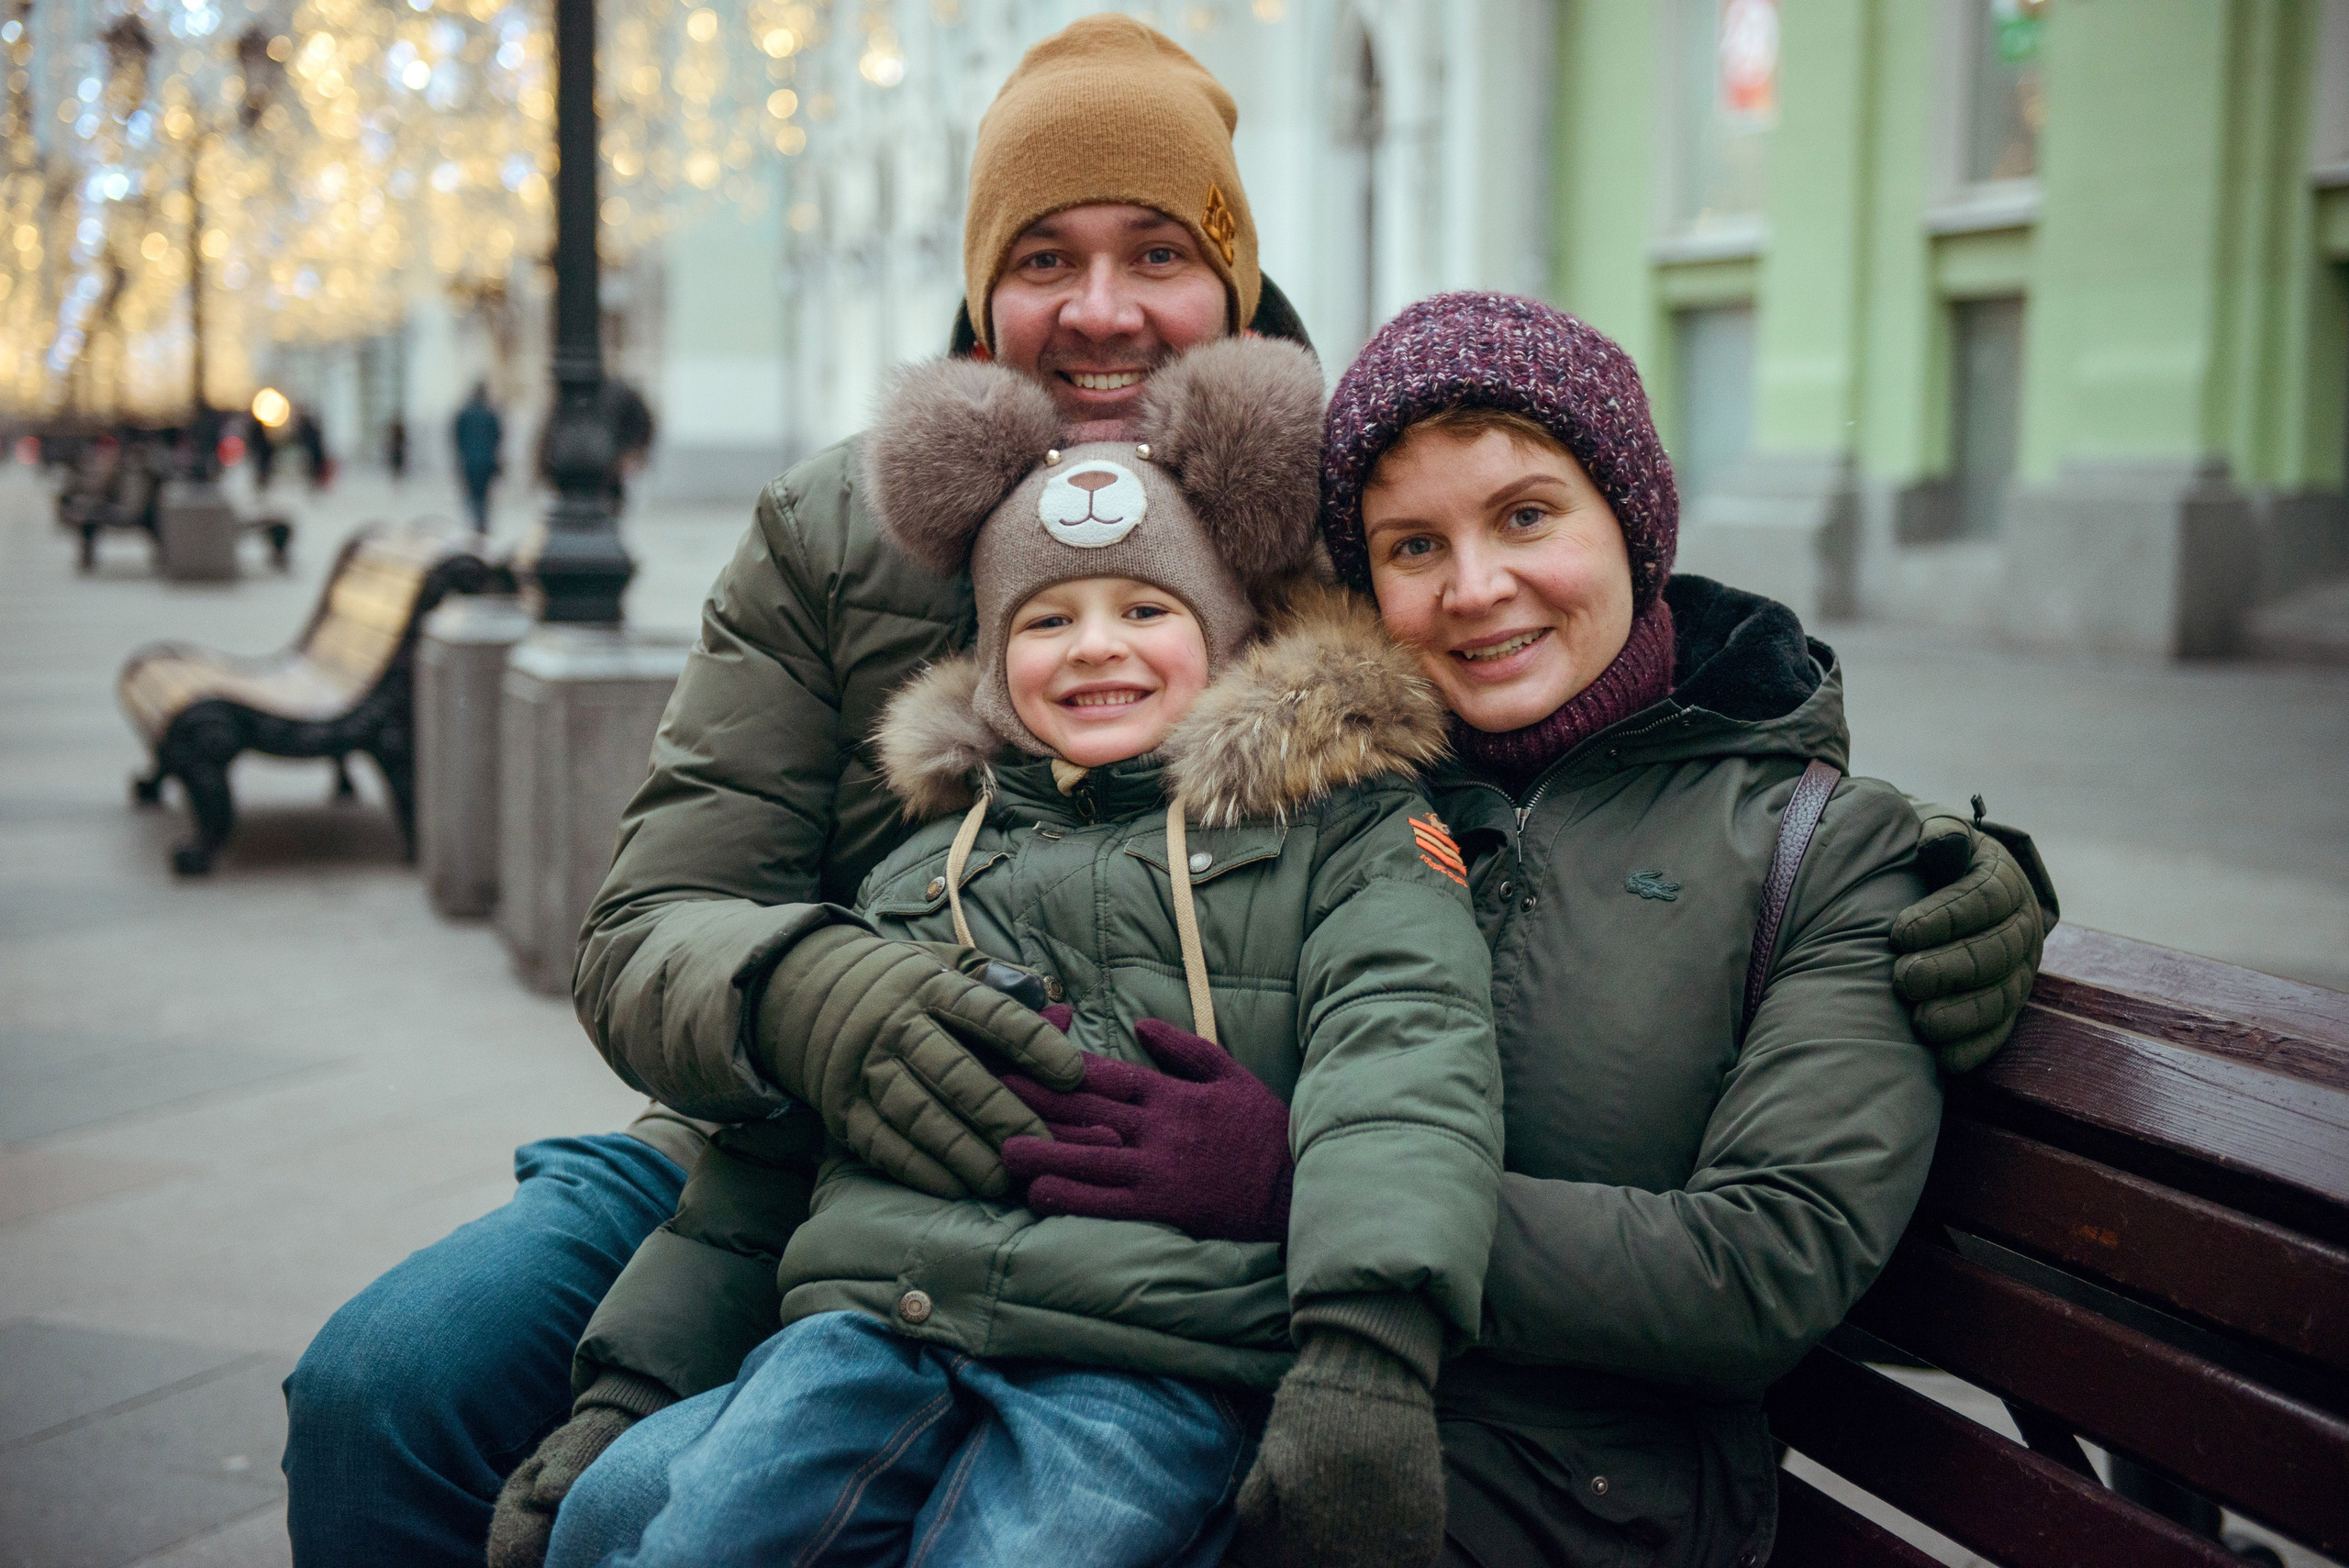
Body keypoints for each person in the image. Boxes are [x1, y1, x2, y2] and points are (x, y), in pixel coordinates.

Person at [279, 18, 2045, 1568]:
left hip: (1153, 1223)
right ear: (984, 289)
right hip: (787, 1139)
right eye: (1045, 255)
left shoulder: (1317, 502)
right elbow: (647, 925)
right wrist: (800, 990)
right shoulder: (837, 527)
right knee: (390, 1383)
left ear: (1234, 280)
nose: (1102, 309)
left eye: (1156, 252)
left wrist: (1958, 862)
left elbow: (1587, 712)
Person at [1003, 293, 2057, 1567]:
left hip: (1587, 1498)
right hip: (1238, 1414)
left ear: (1632, 521)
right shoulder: (1329, 799)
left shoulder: (1828, 853)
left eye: (1526, 515)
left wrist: (1305, 1192)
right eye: (1412, 547)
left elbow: (1768, 1264)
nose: (1477, 587)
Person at [524, 335, 1499, 1568]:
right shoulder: (929, 859)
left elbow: (1405, 1070)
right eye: (1049, 619)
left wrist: (1366, 1360)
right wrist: (630, 1387)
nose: (1098, 645)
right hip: (875, 1319)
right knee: (691, 1533)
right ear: (992, 660)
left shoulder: (1342, 831)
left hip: (1149, 1347)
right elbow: (773, 1156)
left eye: (1147, 609)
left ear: (1226, 635)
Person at [453, 384, 503, 533]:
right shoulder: (490, 414)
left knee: (471, 493)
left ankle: (475, 520)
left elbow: (457, 437)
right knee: (484, 494)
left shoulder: (464, 414)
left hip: (469, 461)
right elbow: (498, 436)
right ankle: (481, 521)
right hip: (486, 461)